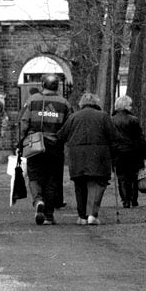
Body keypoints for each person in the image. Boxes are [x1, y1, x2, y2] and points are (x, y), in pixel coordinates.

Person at [56, 92, 118, 225]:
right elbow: (114, 136)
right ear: (96, 103)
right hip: (99, 156)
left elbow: (61, 135)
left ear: (81, 104)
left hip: (77, 156)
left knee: (80, 184)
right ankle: (92, 214)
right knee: (97, 183)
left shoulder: (73, 117)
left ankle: (82, 216)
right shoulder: (103, 116)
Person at [17, 74, 71, 225]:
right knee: (52, 180)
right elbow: (68, 126)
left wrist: (22, 141)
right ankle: (48, 215)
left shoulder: (32, 100)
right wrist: (60, 138)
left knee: (34, 176)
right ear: (57, 86)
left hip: (35, 144)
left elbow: (23, 122)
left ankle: (38, 200)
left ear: (42, 85)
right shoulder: (64, 103)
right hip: (54, 146)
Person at [111, 95, 146, 208]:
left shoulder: (111, 120)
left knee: (121, 177)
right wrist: (145, 154)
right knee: (134, 176)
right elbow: (140, 138)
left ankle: (125, 200)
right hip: (133, 152)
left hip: (118, 152)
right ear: (126, 106)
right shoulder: (134, 120)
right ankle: (134, 199)